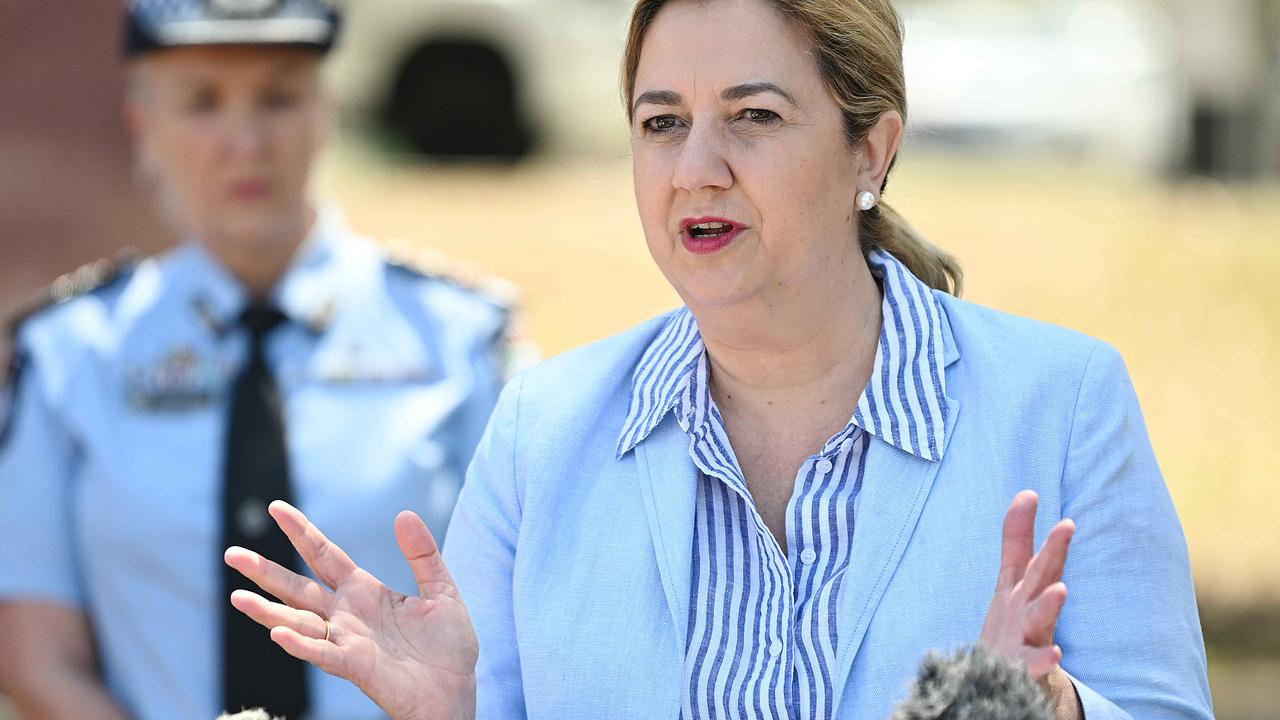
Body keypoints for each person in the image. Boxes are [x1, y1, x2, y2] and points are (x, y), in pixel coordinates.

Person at [226, 0, 1214, 718]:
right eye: (661, 123)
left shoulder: (1061, 401)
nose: (695, 168)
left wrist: (1054, 713)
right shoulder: (543, 428)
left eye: (752, 116)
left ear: (869, 152)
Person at [0, 2, 517, 719]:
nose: (244, 141)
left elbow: (520, 631)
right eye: (201, 102)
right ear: (142, 124)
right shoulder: (68, 356)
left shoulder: (457, 337)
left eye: (279, 97)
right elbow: (36, 655)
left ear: (326, 111)